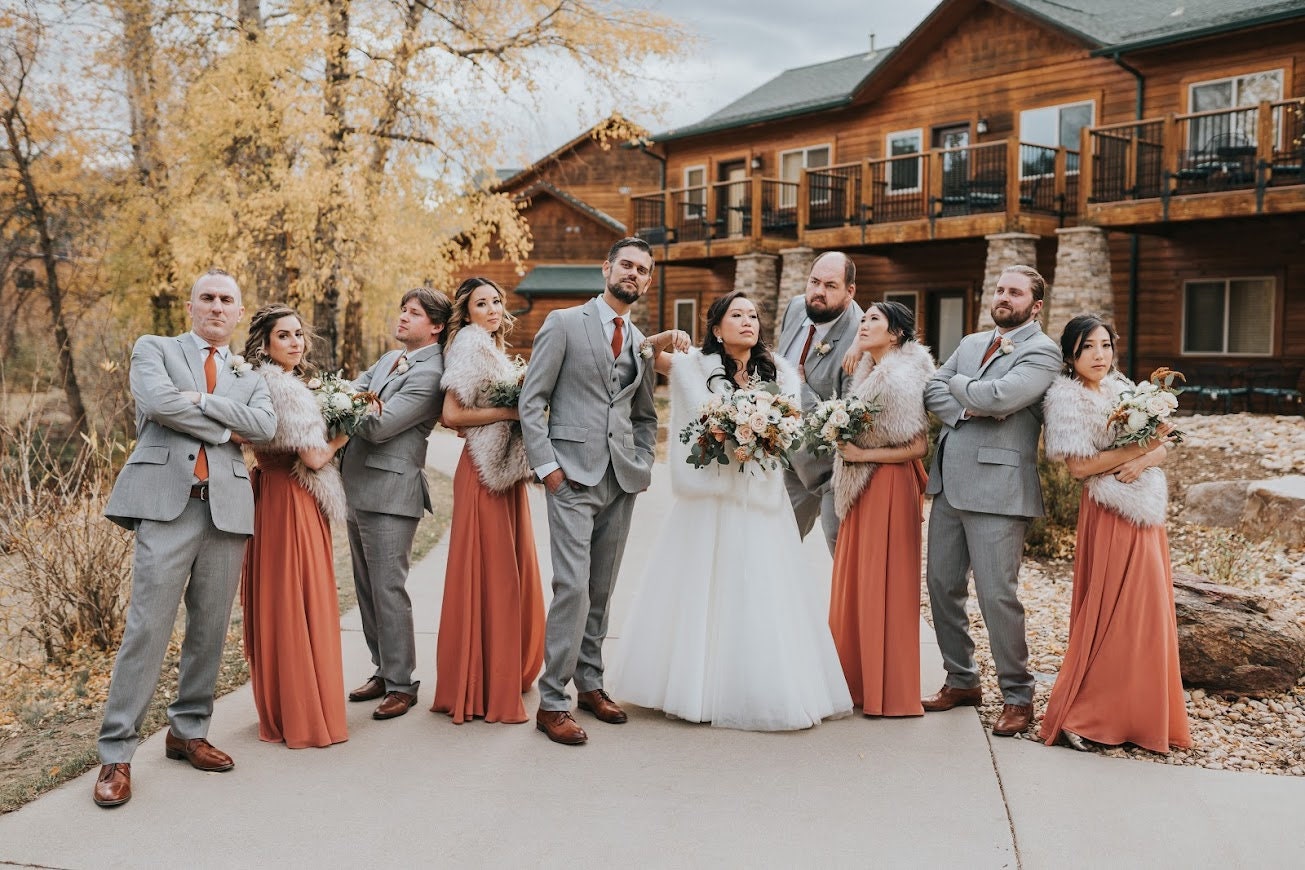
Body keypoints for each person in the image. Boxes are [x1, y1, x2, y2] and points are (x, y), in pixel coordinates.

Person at [612, 291, 852, 730]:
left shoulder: (779, 371)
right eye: (736, 315)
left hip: (760, 499)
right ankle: (694, 685)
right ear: (717, 328)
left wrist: (763, 434)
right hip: (708, 498)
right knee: (700, 585)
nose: (748, 322)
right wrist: (667, 335)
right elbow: (639, 352)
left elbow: (791, 428)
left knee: (760, 586)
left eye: (753, 315)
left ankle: (758, 685)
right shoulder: (693, 366)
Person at [95, 269, 276, 807]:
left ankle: (188, 731)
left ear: (239, 313)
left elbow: (265, 427)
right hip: (166, 505)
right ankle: (116, 754)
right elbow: (157, 402)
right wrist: (224, 426)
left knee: (210, 630)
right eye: (208, 298)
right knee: (147, 628)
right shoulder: (155, 348)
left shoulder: (251, 371)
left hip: (226, 510)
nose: (217, 307)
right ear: (191, 306)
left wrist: (197, 399)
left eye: (227, 300)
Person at [519, 237, 660, 746]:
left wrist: (641, 463)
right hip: (571, 477)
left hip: (620, 480)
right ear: (607, 269)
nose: (634, 274)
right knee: (573, 588)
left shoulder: (640, 340)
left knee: (601, 588)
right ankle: (552, 701)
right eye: (627, 264)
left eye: (643, 270)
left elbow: (644, 414)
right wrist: (548, 468)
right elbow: (531, 402)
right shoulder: (563, 323)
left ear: (647, 280)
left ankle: (591, 684)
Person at [1038, 315, 1191, 754]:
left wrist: (1144, 460)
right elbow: (1080, 467)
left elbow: (1167, 440)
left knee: (1146, 614)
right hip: (1109, 510)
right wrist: (1137, 450)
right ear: (1070, 354)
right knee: (1112, 613)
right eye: (1088, 347)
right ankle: (1084, 716)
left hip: (1145, 510)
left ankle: (1136, 715)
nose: (1099, 355)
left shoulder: (1124, 388)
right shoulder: (1065, 399)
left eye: (1105, 345)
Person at [921, 264, 1061, 738]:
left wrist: (968, 393)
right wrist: (970, 401)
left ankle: (1018, 696)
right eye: (1000, 290)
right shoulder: (969, 343)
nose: (1003, 297)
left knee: (997, 596)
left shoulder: (1044, 352)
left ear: (1035, 305)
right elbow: (930, 389)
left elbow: (1003, 398)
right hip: (947, 486)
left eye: (1015, 292)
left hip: (1000, 493)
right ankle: (961, 679)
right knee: (941, 587)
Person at [430, 277, 545, 725]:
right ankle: (479, 682)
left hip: (502, 470)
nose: (493, 308)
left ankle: (498, 670)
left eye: (497, 300)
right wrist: (511, 411)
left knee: (509, 572)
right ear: (468, 312)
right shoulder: (470, 346)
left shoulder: (492, 349)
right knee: (492, 575)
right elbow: (452, 415)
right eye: (482, 303)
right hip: (483, 473)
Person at [239, 304, 350, 748]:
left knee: (281, 595)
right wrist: (348, 428)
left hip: (270, 494)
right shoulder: (284, 389)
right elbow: (315, 457)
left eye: (299, 334)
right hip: (293, 499)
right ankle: (305, 706)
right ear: (264, 344)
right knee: (299, 595)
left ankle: (285, 700)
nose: (295, 342)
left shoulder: (266, 383)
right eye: (284, 335)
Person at [341, 287, 449, 720]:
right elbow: (353, 392)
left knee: (388, 588)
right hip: (356, 485)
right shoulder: (389, 360)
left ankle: (403, 683)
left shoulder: (431, 372)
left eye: (414, 313)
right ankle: (383, 670)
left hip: (392, 492)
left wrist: (344, 404)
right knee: (366, 588)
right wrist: (347, 399)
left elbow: (380, 424)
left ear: (436, 326)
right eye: (402, 309)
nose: (403, 318)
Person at [828, 301, 935, 717]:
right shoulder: (873, 368)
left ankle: (884, 688)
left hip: (885, 485)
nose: (864, 323)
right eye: (864, 317)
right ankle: (856, 678)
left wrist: (859, 454)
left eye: (874, 319)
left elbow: (918, 446)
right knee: (859, 578)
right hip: (864, 483)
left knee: (881, 581)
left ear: (896, 334)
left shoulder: (898, 377)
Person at [777, 251, 863, 555]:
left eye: (829, 285)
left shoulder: (861, 338)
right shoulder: (796, 308)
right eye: (814, 282)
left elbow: (845, 422)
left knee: (842, 554)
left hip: (832, 471)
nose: (818, 292)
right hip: (787, 460)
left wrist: (799, 387)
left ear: (849, 291)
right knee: (774, 549)